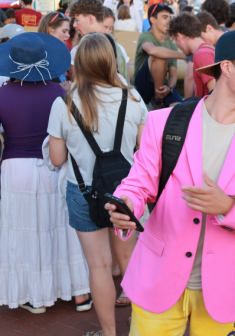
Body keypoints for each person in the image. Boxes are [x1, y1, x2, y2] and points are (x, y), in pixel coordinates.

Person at [106, 29, 235, 336]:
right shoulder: (164, 123)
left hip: (227, 289)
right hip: (158, 277)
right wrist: (127, 206)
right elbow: (139, 183)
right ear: (227, 67)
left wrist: (229, 206)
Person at [48, 33, 148, 336]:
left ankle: (109, 333)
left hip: (82, 193)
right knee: (130, 261)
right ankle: (141, 327)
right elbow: (145, 149)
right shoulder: (132, 98)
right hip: (126, 195)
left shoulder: (64, 104)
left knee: (100, 267)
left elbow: (56, 159)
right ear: (111, 61)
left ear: (78, 64)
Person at [0, 31, 91, 316]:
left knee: (26, 230)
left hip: (16, 168)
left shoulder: (2, 95)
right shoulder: (59, 92)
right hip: (55, 165)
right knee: (63, 228)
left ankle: (37, 298)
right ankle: (80, 293)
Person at [133, 3, 184, 108]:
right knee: (159, 55)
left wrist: (169, 88)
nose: (169, 21)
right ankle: (158, 101)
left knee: (178, 107)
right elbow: (152, 51)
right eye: (165, 17)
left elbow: (173, 75)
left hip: (162, 86)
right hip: (142, 85)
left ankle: (160, 97)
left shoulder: (172, 45)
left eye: (170, 18)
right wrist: (185, 56)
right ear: (153, 19)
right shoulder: (145, 36)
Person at [69, 0, 130, 83]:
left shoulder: (77, 51)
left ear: (91, 18)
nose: (74, 25)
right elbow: (126, 85)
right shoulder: (120, 49)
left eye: (77, 20)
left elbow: (77, 89)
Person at [168, 13, 216, 98]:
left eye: (174, 39)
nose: (176, 44)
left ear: (179, 36)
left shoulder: (201, 54)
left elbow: (216, 93)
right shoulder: (209, 49)